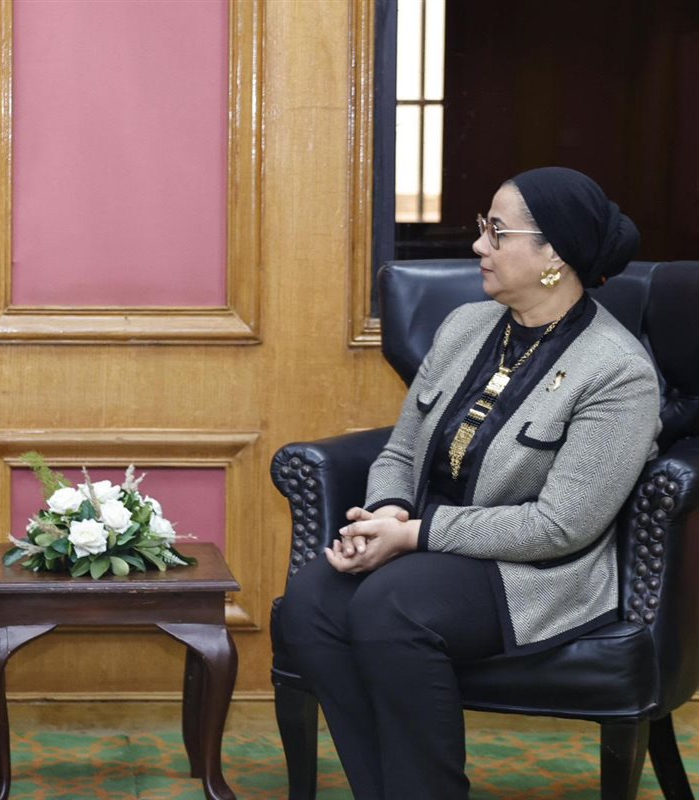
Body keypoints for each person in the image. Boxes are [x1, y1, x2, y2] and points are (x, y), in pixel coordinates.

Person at [276, 167, 661, 798]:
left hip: (531, 570)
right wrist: (386, 513)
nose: (479, 244)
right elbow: (402, 449)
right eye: (485, 226)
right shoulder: (465, 327)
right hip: (424, 542)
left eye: (497, 232)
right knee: (313, 599)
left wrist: (413, 535)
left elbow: (560, 526)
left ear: (554, 255)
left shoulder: (618, 372)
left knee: (389, 606)